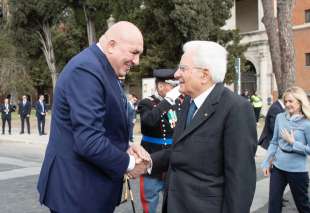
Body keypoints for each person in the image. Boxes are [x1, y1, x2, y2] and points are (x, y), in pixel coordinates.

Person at [37, 21, 150, 213]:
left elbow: (104, 124)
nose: (137, 61)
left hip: (87, 190)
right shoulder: (87, 70)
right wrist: (129, 164)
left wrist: (126, 147)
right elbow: (89, 140)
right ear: (111, 45)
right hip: (77, 194)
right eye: (134, 52)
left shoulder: (101, 67)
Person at [150, 41, 257, 213]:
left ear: (205, 75)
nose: (177, 74)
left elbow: (240, 179)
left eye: (183, 68)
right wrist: (147, 162)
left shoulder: (236, 108)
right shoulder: (188, 103)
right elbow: (181, 151)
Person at [138, 68, 181, 213]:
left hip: (172, 158)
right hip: (152, 156)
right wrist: (167, 101)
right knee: (149, 200)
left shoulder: (178, 103)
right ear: (161, 86)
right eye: (171, 85)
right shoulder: (146, 103)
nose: (175, 88)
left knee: (172, 200)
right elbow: (149, 121)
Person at [261, 86, 310, 213]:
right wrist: (266, 161)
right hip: (278, 168)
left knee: (303, 206)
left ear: (299, 102)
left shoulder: (307, 123)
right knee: (273, 204)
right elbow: (274, 142)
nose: (287, 104)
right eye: (286, 101)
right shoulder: (280, 117)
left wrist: (293, 142)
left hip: (297, 171)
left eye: (291, 101)